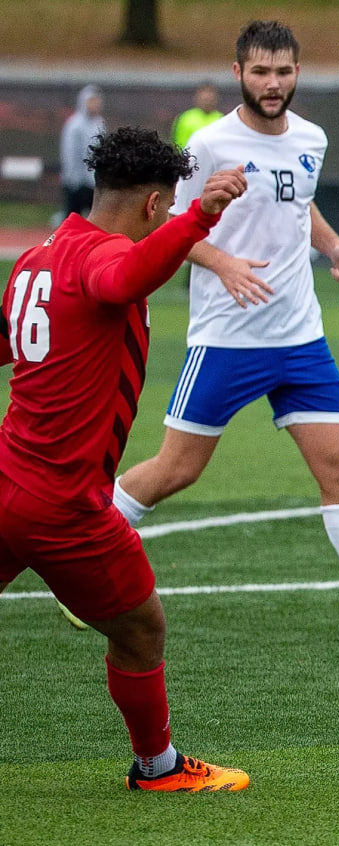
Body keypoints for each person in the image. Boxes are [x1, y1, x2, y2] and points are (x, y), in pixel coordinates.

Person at [111, 20, 339, 639]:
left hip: (300, 338)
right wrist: (224, 261)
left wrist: (336, 246)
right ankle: (85, 567)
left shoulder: (312, 138)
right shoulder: (208, 143)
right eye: (260, 72)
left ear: (296, 74)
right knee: (177, 470)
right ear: (238, 74)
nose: (272, 83)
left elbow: (298, 201)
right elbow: (161, 230)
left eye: (283, 71)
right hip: (226, 339)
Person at [0, 125, 250, 791]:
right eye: (168, 207)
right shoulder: (103, 260)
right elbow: (125, 278)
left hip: (6, 479)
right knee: (142, 630)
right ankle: (158, 767)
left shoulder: (36, 259)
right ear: (153, 205)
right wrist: (204, 212)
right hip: (63, 504)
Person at [59, 84, 105, 221]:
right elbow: (69, 153)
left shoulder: (99, 123)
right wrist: (72, 178)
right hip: (76, 181)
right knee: (73, 218)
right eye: (92, 101)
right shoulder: (74, 125)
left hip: (93, 182)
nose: (95, 105)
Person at [172, 82, 222, 148]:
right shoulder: (185, 118)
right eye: (204, 97)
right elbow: (177, 143)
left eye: (210, 96)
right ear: (197, 97)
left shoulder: (221, 119)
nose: (207, 100)